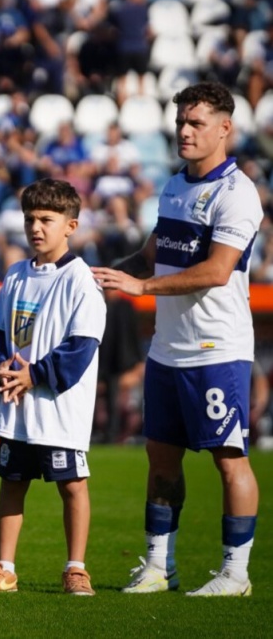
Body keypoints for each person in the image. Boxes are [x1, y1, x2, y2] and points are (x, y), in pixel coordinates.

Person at [92, 82, 263, 597]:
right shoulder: (173, 186)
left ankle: (235, 574)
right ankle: (158, 567)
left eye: (196, 123)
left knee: (229, 459)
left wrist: (141, 288)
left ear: (224, 128)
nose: (184, 132)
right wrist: (92, 278)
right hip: (167, 350)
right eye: (180, 123)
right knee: (161, 460)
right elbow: (150, 254)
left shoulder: (238, 193)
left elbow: (215, 271)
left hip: (217, 348)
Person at [0, 178, 106, 596]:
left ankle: (76, 568)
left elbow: (81, 347)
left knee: (72, 485)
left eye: (47, 219)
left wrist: (34, 375)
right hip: (17, 406)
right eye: (30, 219)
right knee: (12, 482)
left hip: (58, 407)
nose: (36, 228)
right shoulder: (15, 276)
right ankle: (4, 568)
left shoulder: (81, 280)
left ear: (71, 225)